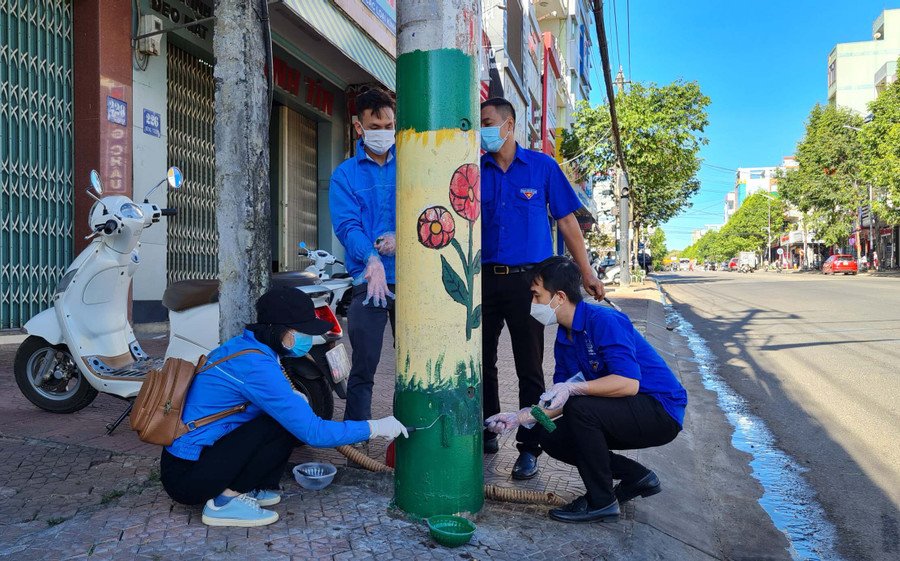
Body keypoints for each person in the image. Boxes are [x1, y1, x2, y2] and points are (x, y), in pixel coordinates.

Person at [160, 287, 408, 527]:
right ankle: (224, 502)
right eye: (301, 331)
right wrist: (374, 427)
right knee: (286, 426)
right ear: (278, 331)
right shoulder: (256, 364)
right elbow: (314, 433)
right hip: (187, 476)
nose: (308, 338)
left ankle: (247, 486)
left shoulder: (250, 347)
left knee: (282, 421)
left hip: (197, 460)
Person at [486, 256, 687, 523]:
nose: (532, 304)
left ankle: (601, 501)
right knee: (547, 431)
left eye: (536, 296)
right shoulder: (565, 337)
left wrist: (573, 389)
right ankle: (636, 476)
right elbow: (559, 400)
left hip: (659, 411)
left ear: (558, 297)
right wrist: (519, 418)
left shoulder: (604, 320)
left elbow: (628, 384)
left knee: (580, 407)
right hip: (620, 411)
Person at [480, 97, 605, 480]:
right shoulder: (471, 168)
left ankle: (529, 447)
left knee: (529, 366)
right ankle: (487, 429)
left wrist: (586, 272)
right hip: (481, 278)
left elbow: (567, 222)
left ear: (509, 125)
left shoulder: (542, 167)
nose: (483, 129)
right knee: (480, 361)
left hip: (529, 283)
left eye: (488, 121)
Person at [329, 89, 397, 428]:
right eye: (376, 125)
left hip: (410, 280)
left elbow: (427, 212)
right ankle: (356, 440)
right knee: (364, 365)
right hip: (367, 282)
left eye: (389, 125)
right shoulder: (345, 175)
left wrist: (405, 240)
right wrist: (371, 259)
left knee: (414, 366)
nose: (384, 132)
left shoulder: (413, 163)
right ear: (360, 128)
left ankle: (407, 443)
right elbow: (347, 225)